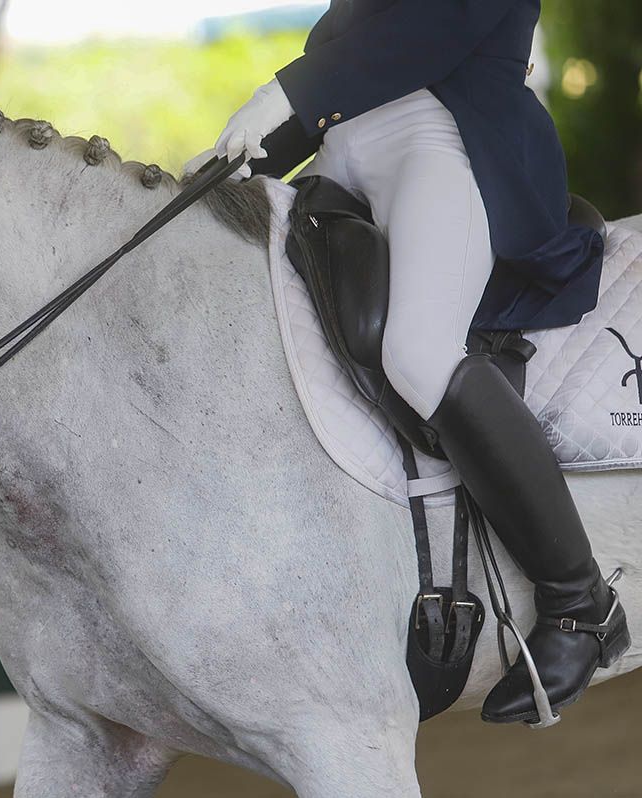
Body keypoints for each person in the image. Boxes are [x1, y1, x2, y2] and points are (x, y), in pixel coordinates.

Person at [189, 0, 629, 724]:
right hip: (343, 154)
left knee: (417, 354)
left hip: (443, 141)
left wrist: (285, 92)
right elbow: (351, 54)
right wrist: (228, 168)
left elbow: (424, 34)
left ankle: (581, 605)